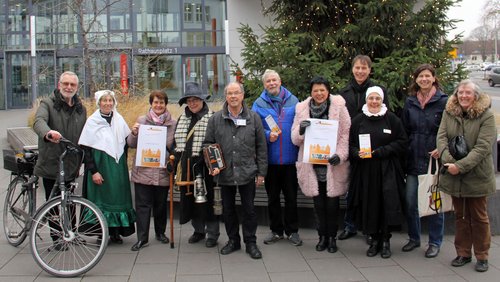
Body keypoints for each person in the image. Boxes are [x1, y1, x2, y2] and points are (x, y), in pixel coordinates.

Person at [437, 80, 496, 272]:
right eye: (460, 92)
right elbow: (441, 137)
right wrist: (448, 161)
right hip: (454, 174)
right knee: (461, 216)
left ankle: (482, 255)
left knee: (479, 217)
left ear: (475, 96)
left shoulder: (486, 116)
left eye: (468, 93)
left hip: (477, 175)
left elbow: (483, 147)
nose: (463, 96)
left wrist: (460, 166)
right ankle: (463, 252)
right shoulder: (449, 112)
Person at [204, 82, 267, 259]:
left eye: (236, 93)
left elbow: (261, 146)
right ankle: (233, 240)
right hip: (224, 174)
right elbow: (207, 143)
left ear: (242, 95)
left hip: (248, 172)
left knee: (249, 210)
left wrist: (261, 172)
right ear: (225, 96)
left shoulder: (253, 118)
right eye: (230, 93)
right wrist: (212, 164)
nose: (233, 96)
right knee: (228, 210)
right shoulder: (215, 119)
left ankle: (251, 242)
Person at [291, 76, 351, 253]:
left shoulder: (339, 107)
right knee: (318, 206)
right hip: (312, 166)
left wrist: (340, 155)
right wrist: (301, 129)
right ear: (311, 92)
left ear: (328, 91)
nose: (319, 93)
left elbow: (345, 134)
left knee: (332, 206)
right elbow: (294, 138)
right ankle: (322, 237)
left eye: (322, 90)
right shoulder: (302, 109)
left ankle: (332, 238)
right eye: (315, 90)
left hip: (332, 165)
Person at [348, 86, 407, 258]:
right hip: (365, 170)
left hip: (387, 169)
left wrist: (382, 151)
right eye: (371, 98)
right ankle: (374, 240)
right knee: (369, 204)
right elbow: (350, 144)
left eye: (377, 99)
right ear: (366, 100)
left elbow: (402, 142)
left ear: (382, 100)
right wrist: (355, 153)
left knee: (386, 204)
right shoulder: (358, 120)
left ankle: (386, 241)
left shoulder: (392, 120)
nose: (374, 102)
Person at [33, 71, 87, 251]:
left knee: (70, 201)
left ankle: (71, 234)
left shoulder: (81, 108)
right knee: (54, 201)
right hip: (52, 162)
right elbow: (39, 121)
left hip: (71, 163)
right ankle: (56, 237)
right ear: (59, 84)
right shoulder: (47, 104)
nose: (69, 87)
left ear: (77, 87)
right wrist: (48, 133)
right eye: (66, 84)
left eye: (72, 84)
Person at [338, 55, 389, 242]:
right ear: (352, 69)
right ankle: (350, 224)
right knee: (351, 189)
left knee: (370, 191)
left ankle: (369, 228)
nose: (360, 71)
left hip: (372, 150)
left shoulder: (378, 91)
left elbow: (386, 116)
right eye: (357, 68)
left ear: (370, 70)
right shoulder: (343, 93)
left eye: (364, 68)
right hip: (351, 147)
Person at [401, 64, 447, 258]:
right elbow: (404, 129)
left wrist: (442, 148)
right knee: (411, 202)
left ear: (434, 78)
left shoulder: (443, 102)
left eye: (427, 76)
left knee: (435, 202)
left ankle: (435, 242)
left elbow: (450, 130)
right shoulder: (410, 102)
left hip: (433, 160)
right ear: (416, 79)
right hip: (413, 159)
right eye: (421, 76)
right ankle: (414, 238)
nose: (424, 79)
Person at [251, 69, 302, 246]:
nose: (271, 83)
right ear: (264, 85)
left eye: (274, 80)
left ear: (280, 81)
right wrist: (267, 135)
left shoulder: (294, 101)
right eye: (268, 81)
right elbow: (254, 128)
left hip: (290, 159)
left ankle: (292, 231)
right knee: (272, 198)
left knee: (291, 198)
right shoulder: (258, 104)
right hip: (270, 160)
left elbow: (299, 126)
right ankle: (276, 231)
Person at [79, 90, 136, 244]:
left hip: (117, 167)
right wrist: (94, 171)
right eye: (104, 100)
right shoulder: (92, 121)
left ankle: (116, 232)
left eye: (110, 100)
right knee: (101, 198)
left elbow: (126, 143)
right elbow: (86, 149)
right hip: (101, 165)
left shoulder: (119, 119)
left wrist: (136, 132)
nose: (107, 103)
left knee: (117, 197)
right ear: (99, 103)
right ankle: (101, 232)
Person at [127, 90, 176, 251]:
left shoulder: (172, 123)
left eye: (161, 102)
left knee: (161, 204)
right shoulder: (142, 120)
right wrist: (134, 133)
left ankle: (160, 233)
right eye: (155, 102)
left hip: (162, 171)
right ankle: (142, 237)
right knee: (142, 205)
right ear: (151, 104)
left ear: (166, 104)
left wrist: (172, 158)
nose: (158, 105)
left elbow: (175, 147)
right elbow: (131, 143)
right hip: (144, 170)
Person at [173, 82, 219, 248]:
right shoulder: (182, 118)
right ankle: (198, 230)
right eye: (189, 100)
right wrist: (174, 161)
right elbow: (175, 144)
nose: (192, 103)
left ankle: (212, 233)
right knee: (191, 200)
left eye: (195, 99)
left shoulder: (213, 117)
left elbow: (216, 143)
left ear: (202, 100)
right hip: (187, 166)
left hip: (205, 166)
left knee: (208, 201)